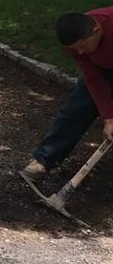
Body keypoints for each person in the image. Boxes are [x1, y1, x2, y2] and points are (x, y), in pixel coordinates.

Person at [21, 9, 113, 185]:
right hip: (104, 69)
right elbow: (93, 77)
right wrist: (109, 118)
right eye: (75, 49)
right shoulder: (75, 42)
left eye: (82, 47)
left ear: (96, 31)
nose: (79, 53)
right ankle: (44, 160)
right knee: (76, 107)